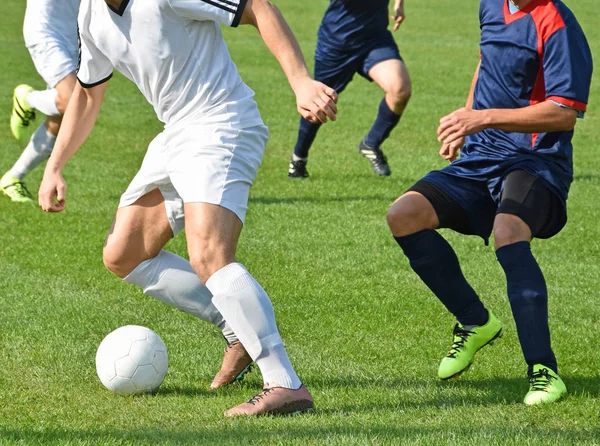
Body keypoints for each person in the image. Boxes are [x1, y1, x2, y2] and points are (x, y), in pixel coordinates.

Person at [38, 0, 338, 417]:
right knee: (123, 254)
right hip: (175, 133)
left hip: (221, 122)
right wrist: (55, 166)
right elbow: (87, 95)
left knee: (210, 254)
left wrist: (301, 81)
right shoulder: (89, 14)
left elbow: (256, 6)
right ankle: (239, 332)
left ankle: (285, 383)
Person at [386, 0, 592, 405]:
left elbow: (564, 112)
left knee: (508, 230)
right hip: (482, 154)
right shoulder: (491, 6)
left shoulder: (556, 21)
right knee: (404, 215)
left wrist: (483, 118)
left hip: (536, 161)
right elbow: (486, 61)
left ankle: (544, 371)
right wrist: (468, 115)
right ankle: (474, 321)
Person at [288, 0, 411, 178]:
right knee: (318, 104)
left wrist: (398, 5)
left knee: (400, 89)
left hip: (375, 40)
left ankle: (371, 143)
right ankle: (299, 158)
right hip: (338, 42)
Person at [2, 0, 80, 202]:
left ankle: (13, 178)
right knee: (72, 101)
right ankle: (27, 99)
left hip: (78, 37)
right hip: (47, 33)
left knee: (61, 117)